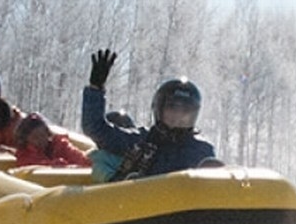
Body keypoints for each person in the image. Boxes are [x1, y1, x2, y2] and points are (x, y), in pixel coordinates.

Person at [79, 48, 221, 180]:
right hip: (142, 205)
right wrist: (95, 89)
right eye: (172, 109)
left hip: (186, 205)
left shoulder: (201, 150)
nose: (178, 116)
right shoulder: (142, 140)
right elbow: (95, 128)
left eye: (185, 111)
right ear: (159, 109)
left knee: (212, 166)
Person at [9, 112, 91, 168]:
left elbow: (82, 160)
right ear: (26, 139)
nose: (40, 139)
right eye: (35, 137)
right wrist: (58, 165)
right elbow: (33, 168)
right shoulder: (24, 155)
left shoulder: (60, 144)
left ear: (47, 133)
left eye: (43, 134)